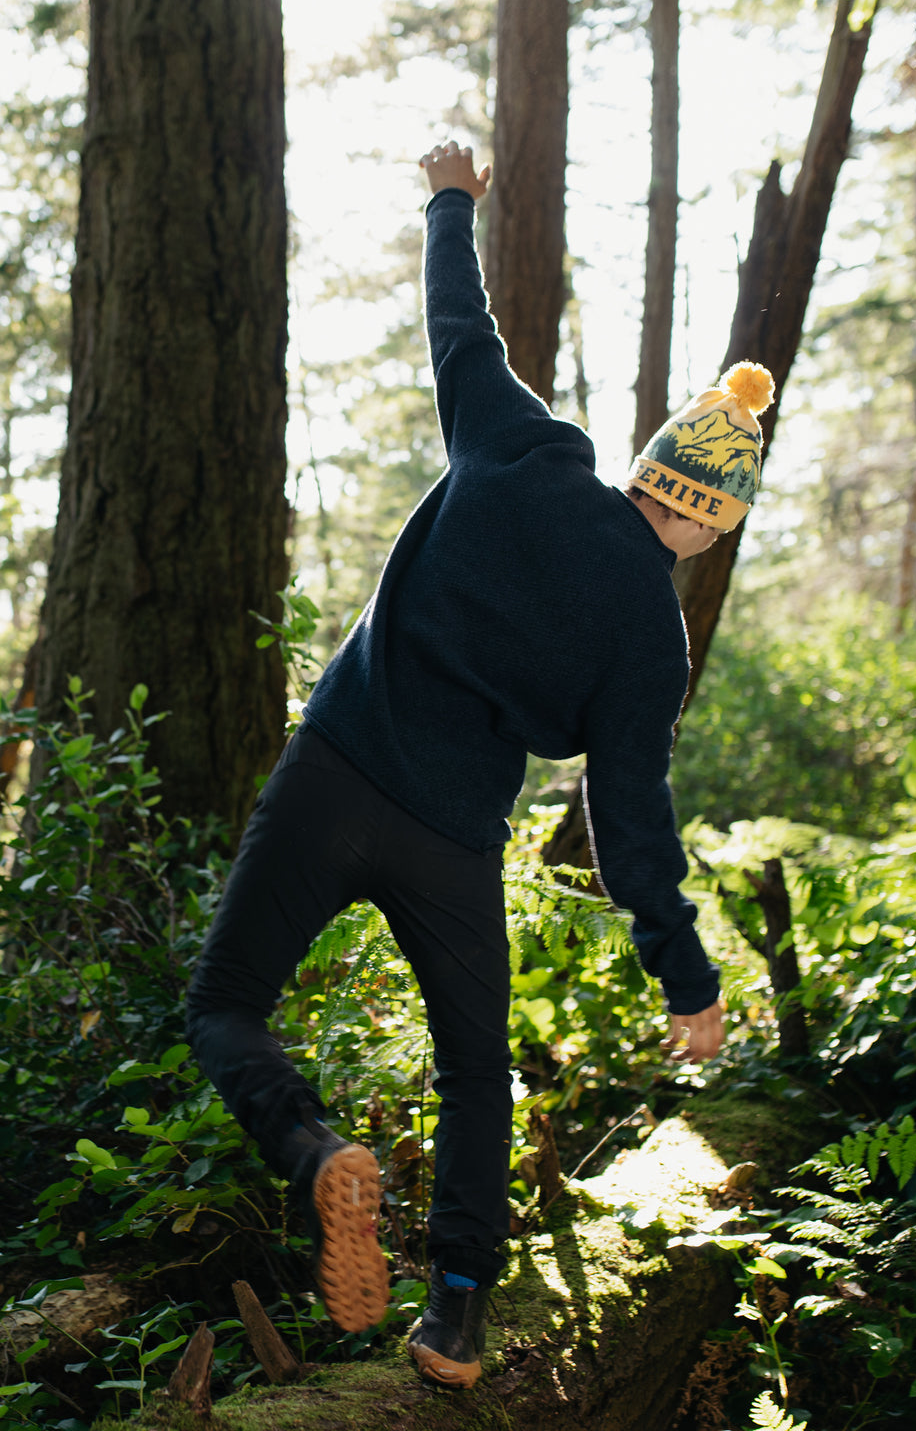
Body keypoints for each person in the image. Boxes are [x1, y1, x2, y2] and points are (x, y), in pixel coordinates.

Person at [185, 141, 773, 1391]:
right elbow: (630, 818)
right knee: (474, 1073)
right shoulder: (648, 639)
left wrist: (452, 198)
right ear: (711, 522)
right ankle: (453, 1319)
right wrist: (684, 972)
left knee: (225, 1004)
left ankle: (311, 1151)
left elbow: (460, 321)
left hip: (335, 767)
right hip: (451, 843)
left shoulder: (523, 447)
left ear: (646, 464)